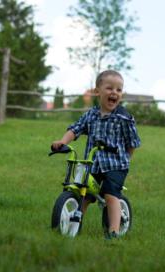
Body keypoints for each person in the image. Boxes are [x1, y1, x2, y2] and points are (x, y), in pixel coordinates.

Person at [51, 69, 141, 239]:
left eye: (118, 90)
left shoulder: (124, 118)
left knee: (110, 195)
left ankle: (113, 231)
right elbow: (75, 129)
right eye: (109, 88)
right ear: (97, 91)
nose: (114, 92)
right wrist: (63, 142)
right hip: (92, 163)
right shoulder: (90, 115)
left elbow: (133, 143)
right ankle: (74, 224)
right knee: (84, 193)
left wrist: (126, 159)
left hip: (115, 165)